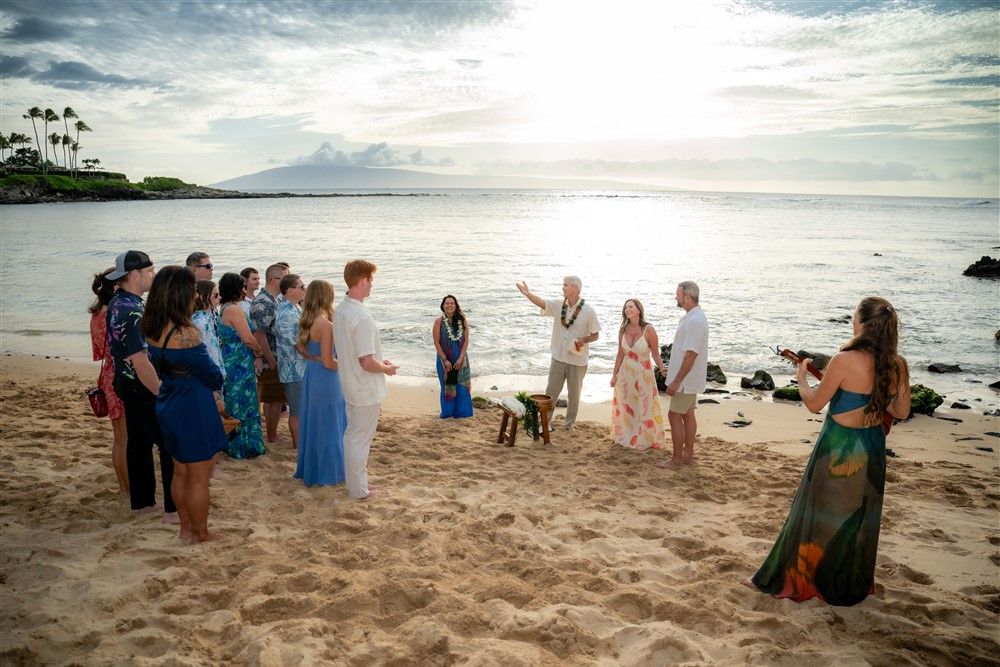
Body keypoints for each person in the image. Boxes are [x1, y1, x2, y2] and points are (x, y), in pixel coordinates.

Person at [750, 296, 911, 606]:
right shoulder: (899, 365)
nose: (852, 320)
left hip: (839, 444)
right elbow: (901, 412)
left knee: (818, 512)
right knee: (860, 516)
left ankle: (807, 579)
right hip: (872, 446)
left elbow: (814, 403)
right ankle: (847, 584)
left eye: (854, 316)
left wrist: (800, 376)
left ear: (862, 324)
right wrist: (881, 399)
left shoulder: (843, 360)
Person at [142, 266, 227, 543]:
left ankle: (185, 529)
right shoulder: (186, 333)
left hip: (169, 398)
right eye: (192, 289)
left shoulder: (151, 325)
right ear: (181, 294)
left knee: (179, 471)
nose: (195, 294)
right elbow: (212, 374)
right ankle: (201, 533)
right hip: (193, 403)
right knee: (200, 477)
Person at [105, 250, 176, 520]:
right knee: (167, 444)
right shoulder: (132, 309)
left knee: (139, 443)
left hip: (125, 382)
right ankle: (172, 509)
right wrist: (162, 392)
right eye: (150, 272)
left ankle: (143, 502)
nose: (153, 276)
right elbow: (140, 360)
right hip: (141, 385)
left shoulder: (118, 301)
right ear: (135, 274)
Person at [334, 260, 398, 500]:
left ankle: (356, 485)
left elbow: (354, 352)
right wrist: (387, 369)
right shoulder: (360, 316)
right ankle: (359, 490)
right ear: (362, 281)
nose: (372, 285)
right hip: (364, 387)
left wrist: (380, 361)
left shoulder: (341, 309)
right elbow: (366, 362)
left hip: (350, 383)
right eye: (370, 280)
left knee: (353, 437)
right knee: (360, 440)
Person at [515, 276, 600, 430]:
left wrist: (584, 339)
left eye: (565, 285)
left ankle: (569, 425)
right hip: (558, 357)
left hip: (578, 360)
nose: (562, 288)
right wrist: (528, 294)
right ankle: (545, 422)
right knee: (551, 392)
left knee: (574, 395)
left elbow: (596, 334)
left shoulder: (588, 311)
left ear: (575, 288)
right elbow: (542, 303)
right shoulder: (558, 305)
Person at [294, 280, 348, 486]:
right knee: (330, 423)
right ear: (327, 297)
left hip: (311, 375)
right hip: (327, 379)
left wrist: (314, 358)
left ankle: (313, 470)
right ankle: (330, 472)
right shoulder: (326, 325)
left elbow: (301, 349)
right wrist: (347, 366)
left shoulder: (306, 320)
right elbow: (329, 362)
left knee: (315, 422)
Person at [655, 281, 709, 470]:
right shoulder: (693, 317)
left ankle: (676, 459)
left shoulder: (695, 320)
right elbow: (683, 353)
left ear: (687, 297)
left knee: (674, 416)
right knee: (687, 414)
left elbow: (691, 355)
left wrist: (676, 381)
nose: (675, 297)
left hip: (685, 381)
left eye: (678, 294)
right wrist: (673, 369)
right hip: (688, 378)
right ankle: (688, 456)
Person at [218, 272, 266, 459]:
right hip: (238, 363)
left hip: (232, 361)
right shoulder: (234, 310)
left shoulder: (225, 308)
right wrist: (259, 352)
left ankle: (235, 443)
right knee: (243, 402)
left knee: (234, 399)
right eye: (243, 287)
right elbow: (248, 338)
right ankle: (244, 446)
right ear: (238, 289)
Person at [89, 267, 129, 494]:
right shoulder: (113, 314)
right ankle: (129, 489)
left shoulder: (96, 314)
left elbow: (98, 351)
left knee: (119, 439)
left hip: (107, 374)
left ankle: (124, 487)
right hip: (119, 374)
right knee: (125, 439)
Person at [610, 298, 668, 451]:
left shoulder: (648, 329)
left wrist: (662, 368)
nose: (627, 309)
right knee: (627, 406)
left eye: (631, 306)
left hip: (644, 375)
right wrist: (614, 375)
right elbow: (620, 355)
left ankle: (644, 438)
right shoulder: (623, 330)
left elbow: (655, 353)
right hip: (625, 375)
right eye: (626, 307)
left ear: (639, 310)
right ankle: (628, 436)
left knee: (643, 406)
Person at [250, 263, 288, 444]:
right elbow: (260, 334)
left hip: (279, 356)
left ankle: (272, 434)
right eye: (285, 277)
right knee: (274, 398)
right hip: (271, 357)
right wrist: (271, 360)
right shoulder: (262, 303)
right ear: (275, 279)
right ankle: (272, 436)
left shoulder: (276, 299)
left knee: (277, 398)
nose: (288, 281)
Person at [275, 274, 307, 448]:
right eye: (301, 286)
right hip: (293, 370)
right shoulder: (286, 313)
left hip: (301, 367)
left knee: (302, 410)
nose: (304, 289)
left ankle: (301, 443)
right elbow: (298, 345)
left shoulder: (295, 308)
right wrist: (319, 358)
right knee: (297, 411)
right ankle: (298, 445)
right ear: (290, 290)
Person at [432, 294, 473, 419]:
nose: (449, 305)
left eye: (452, 303)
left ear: (456, 306)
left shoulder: (462, 319)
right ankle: (447, 413)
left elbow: (466, 340)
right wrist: (445, 360)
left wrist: (461, 358)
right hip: (444, 359)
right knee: (447, 386)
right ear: (443, 306)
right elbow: (436, 342)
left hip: (461, 359)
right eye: (447, 303)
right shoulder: (438, 321)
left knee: (461, 386)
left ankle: (462, 413)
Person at [192, 280, 225, 378]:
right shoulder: (199, 322)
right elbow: (200, 355)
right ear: (202, 297)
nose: (219, 297)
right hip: (208, 376)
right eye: (215, 295)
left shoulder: (210, 315)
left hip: (215, 371)